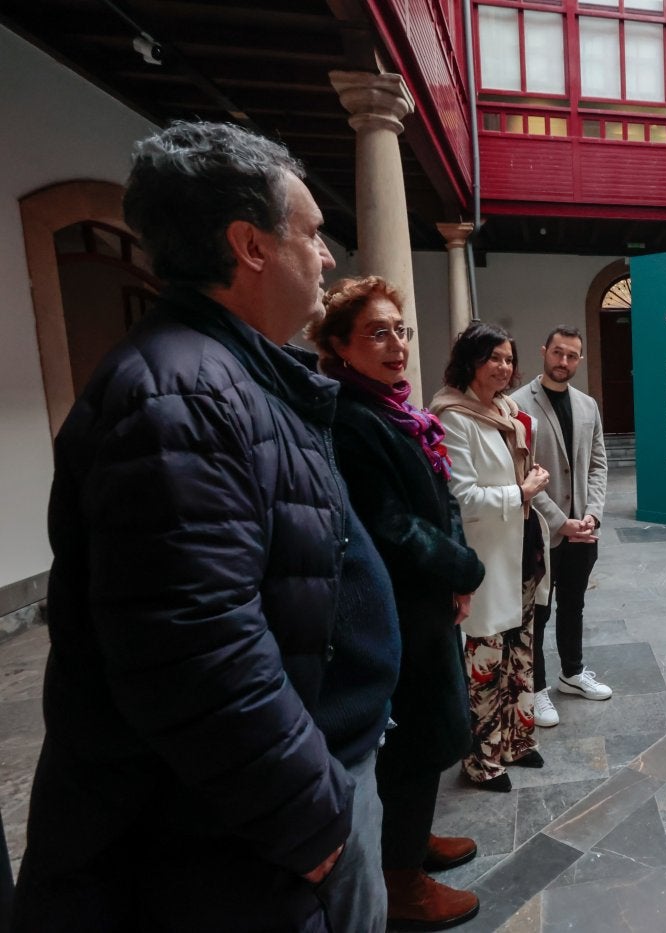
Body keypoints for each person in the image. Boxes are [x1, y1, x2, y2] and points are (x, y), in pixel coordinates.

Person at [13, 121, 371, 931]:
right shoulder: (181, 396)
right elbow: (197, 645)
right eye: (312, 235)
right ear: (249, 244)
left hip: (236, 827)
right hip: (218, 847)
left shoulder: (227, 373)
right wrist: (306, 812)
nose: (326, 258)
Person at [310, 276, 487, 929]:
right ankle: (402, 881)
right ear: (339, 345)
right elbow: (387, 522)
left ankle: (409, 844)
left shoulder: (396, 409)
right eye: (377, 332)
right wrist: (461, 564)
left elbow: (440, 502)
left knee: (429, 735)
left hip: (429, 595)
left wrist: (458, 575)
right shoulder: (353, 420)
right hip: (395, 606)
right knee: (414, 740)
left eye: (401, 330)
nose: (396, 344)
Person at [431, 323, 549, 792]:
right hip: (487, 555)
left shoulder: (507, 409)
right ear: (470, 361)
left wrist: (528, 483)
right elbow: (460, 496)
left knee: (520, 652)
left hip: (522, 548)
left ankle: (517, 740)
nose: (503, 367)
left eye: (507, 359)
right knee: (486, 659)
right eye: (493, 358)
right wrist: (521, 490)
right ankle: (481, 760)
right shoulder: (452, 415)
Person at [510, 326, 612, 728]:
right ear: (544, 351)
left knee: (575, 604)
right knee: (539, 611)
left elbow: (599, 463)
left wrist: (594, 514)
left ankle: (572, 673)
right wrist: (560, 521)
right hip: (541, 529)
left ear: (580, 359)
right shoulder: (518, 404)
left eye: (571, 355)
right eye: (557, 353)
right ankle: (536, 689)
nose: (563, 362)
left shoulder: (587, 405)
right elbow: (523, 472)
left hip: (583, 530)